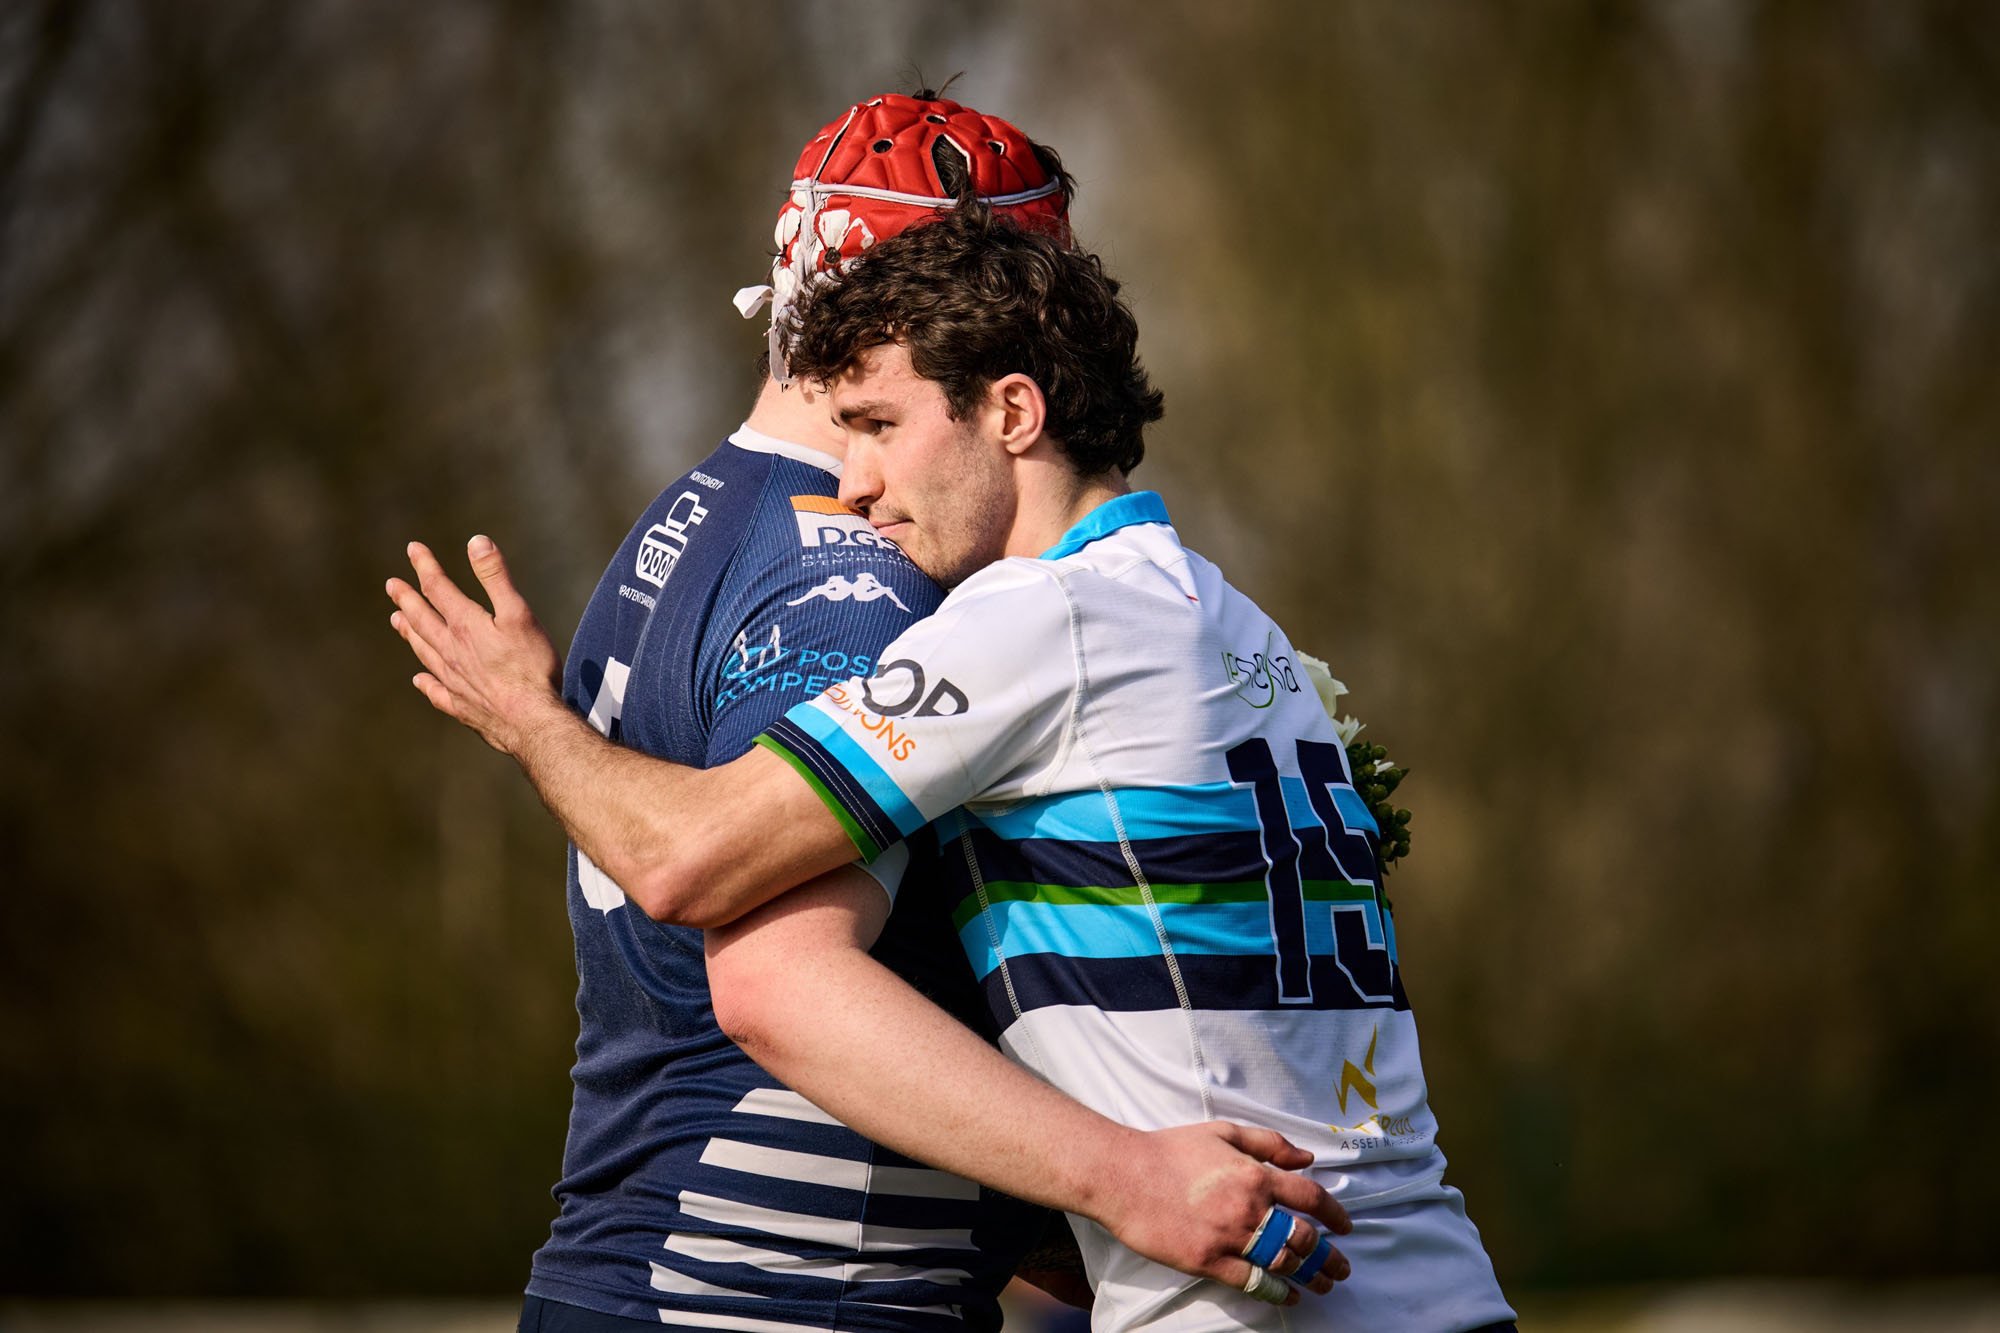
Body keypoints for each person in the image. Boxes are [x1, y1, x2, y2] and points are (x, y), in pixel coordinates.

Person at [397, 93, 1349, 1333]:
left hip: (640, 1263)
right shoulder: (861, 572)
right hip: (777, 1294)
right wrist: (1125, 1179)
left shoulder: (688, 522)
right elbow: (773, 975)